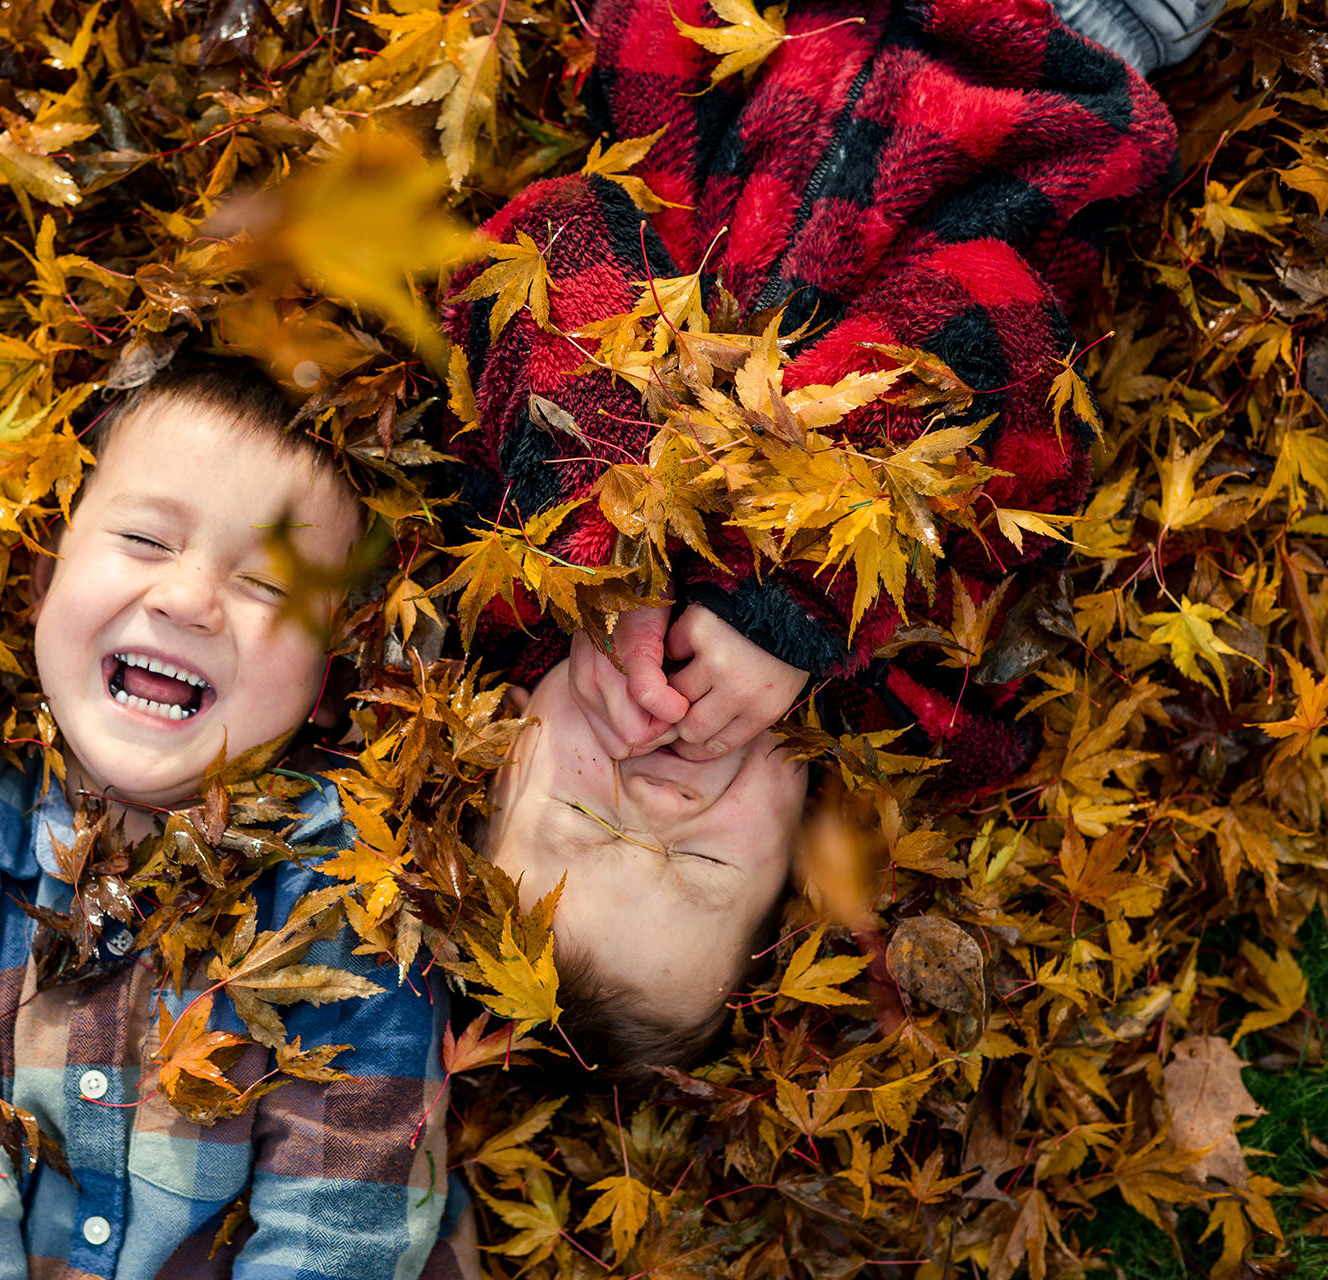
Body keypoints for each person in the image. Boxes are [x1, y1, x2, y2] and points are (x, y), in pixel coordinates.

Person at [444, 0, 1212, 1080]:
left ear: (498, 747)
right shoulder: (915, 691)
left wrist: (605, 523)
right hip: (1039, 56)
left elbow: (556, 227)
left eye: (578, 815)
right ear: (799, 867)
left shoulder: (515, 559)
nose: (655, 798)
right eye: (699, 860)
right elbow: (993, 315)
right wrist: (791, 592)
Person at [0, 360, 463, 1278]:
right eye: (143, 538)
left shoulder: (352, 902)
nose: (187, 599)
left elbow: (339, 1228)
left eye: (268, 586)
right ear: (45, 574)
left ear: (333, 678)